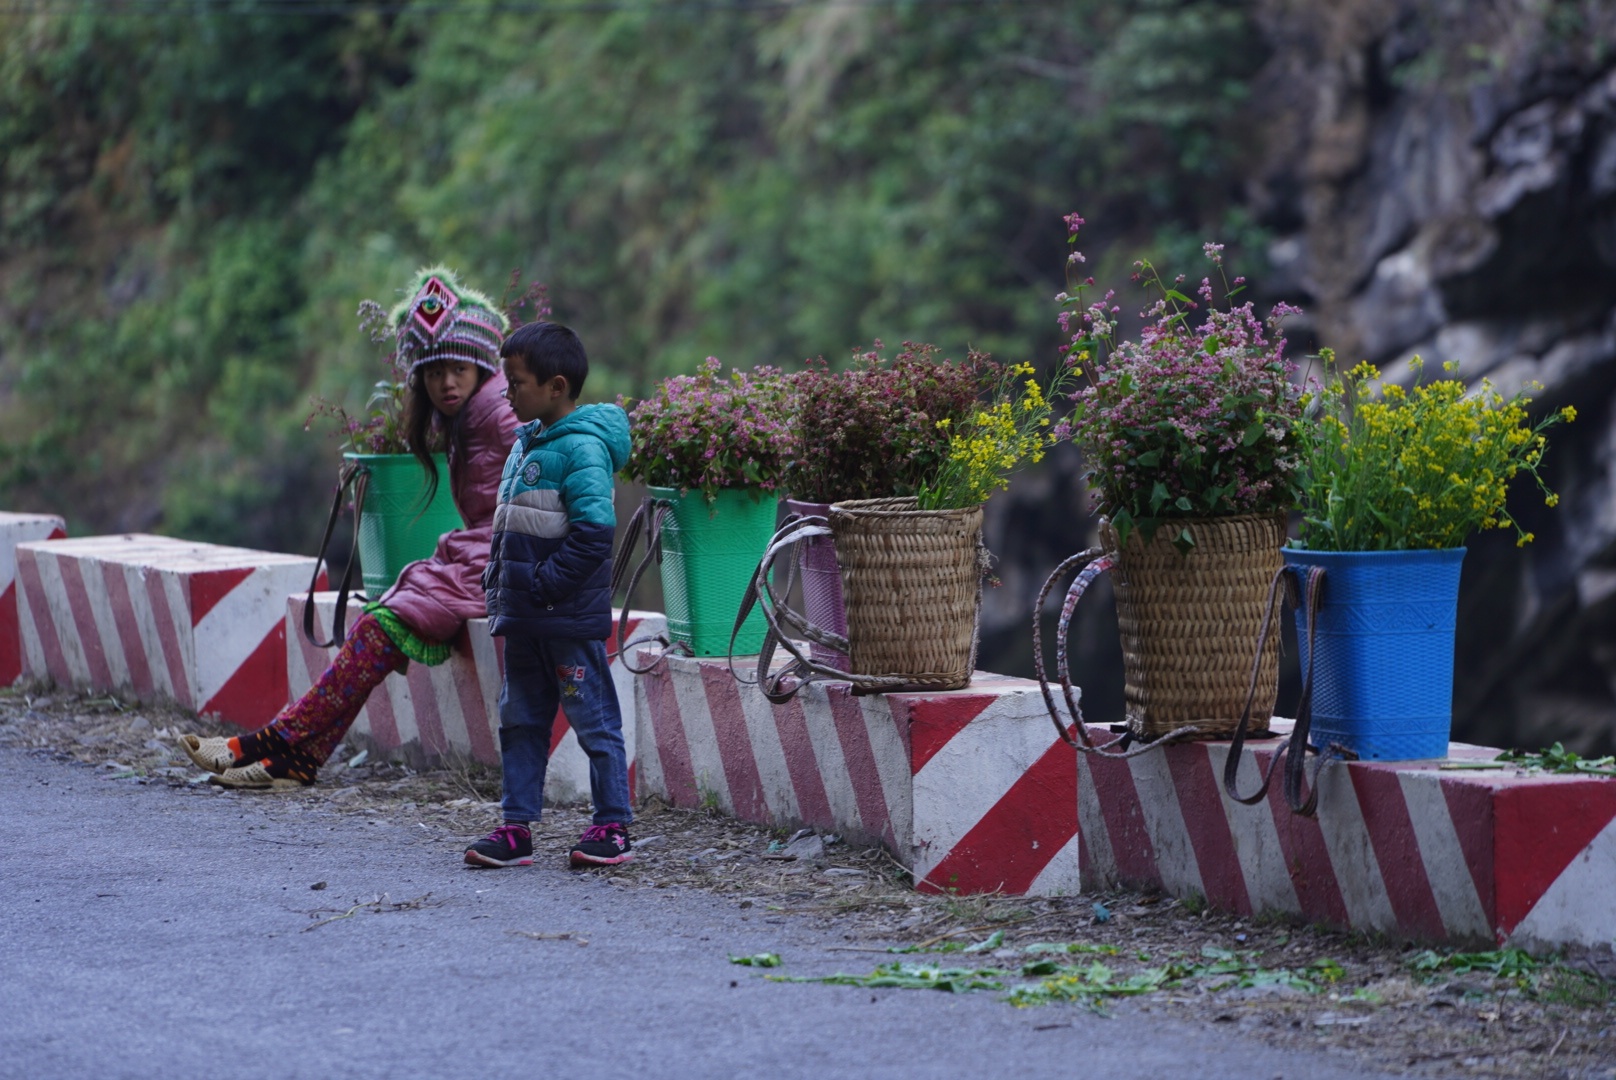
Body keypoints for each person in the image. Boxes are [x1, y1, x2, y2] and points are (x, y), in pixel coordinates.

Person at [177, 268, 519, 788]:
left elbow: (548, 463)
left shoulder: (498, 408)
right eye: (433, 373)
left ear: (480, 365)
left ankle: (266, 743)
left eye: (458, 369)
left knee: (378, 631)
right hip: (479, 556)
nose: (446, 383)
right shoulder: (474, 411)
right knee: (376, 631)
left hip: (500, 561)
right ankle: (296, 762)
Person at [463, 321, 634, 869]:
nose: (508, 394)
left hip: (564, 619)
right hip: (525, 620)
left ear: (556, 386)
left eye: (516, 384)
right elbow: (510, 529)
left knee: (594, 720)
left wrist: (542, 586)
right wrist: (500, 585)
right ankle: (516, 828)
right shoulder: (525, 445)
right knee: (519, 720)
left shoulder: (583, 448)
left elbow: (593, 536)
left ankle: (613, 824)